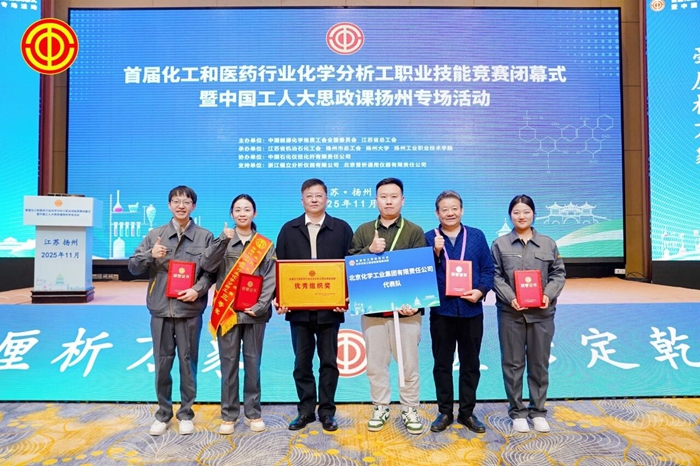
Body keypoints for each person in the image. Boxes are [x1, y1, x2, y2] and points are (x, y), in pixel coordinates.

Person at [128, 185, 215, 436]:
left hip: (189, 309)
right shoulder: (155, 235)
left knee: (188, 362)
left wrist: (198, 290)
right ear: (169, 205)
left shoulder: (205, 236)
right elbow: (133, 267)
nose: (181, 206)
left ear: (193, 206)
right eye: (176, 201)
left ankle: (186, 413)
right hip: (160, 309)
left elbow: (210, 272)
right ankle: (163, 414)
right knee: (162, 363)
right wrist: (150, 254)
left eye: (186, 202)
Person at [348, 177, 427, 435]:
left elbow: (422, 270)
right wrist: (369, 250)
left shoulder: (414, 231)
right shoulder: (363, 231)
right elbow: (350, 266)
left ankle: (410, 408)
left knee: (408, 365)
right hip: (373, 311)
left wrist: (415, 305)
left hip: (406, 313)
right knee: (375, 364)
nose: (389, 201)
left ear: (402, 200)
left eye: (394, 196)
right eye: (383, 196)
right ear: (376, 200)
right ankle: (380, 406)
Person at [275, 179, 354, 432]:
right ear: (302, 200)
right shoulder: (289, 229)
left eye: (319, 195)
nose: (314, 199)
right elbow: (279, 267)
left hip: (330, 309)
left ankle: (327, 412)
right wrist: (280, 298)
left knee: (329, 362)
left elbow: (351, 266)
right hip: (298, 311)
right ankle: (306, 411)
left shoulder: (341, 228)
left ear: (327, 199)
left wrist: (346, 296)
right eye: (309, 195)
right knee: (302, 363)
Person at [200, 194, 276, 435]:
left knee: (253, 364)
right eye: (238, 210)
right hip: (228, 314)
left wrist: (261, 305)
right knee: (228, 365)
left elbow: (270, 278)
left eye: (247, 209)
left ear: (254, 213)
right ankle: (229, 415)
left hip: (255, 314)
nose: (242, 213)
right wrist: (222, 240)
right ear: (231, 214)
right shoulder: (222, 240)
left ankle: (253, 413)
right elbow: (207, 266)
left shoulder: (265, 245)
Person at [491, 194, 566, 434]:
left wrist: (548, 294)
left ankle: (538, 411)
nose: (521, 216)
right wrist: (510, 297)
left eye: (526, 212)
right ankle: (517, 412)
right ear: (510, 215)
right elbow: (495, 276)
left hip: (542, 314)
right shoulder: (500, 244)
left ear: (534, 214)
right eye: (516, 212)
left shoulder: (548, 243)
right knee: (512, 365)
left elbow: (558, 274)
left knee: (539, 364)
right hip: (511, 314)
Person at [424, 190, 494, 434]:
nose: (450, 213)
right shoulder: (428, 238)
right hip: (442, 312)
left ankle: (467, 413)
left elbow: (488, 269)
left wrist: (481, 291)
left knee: (470, 364)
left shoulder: (476, 236)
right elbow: (422, 274)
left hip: (471, 310)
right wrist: (434, 253)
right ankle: (445, 412)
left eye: (454, 208)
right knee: (442, 364)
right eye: (445, 209)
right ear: (437, 213)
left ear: (462, 210)